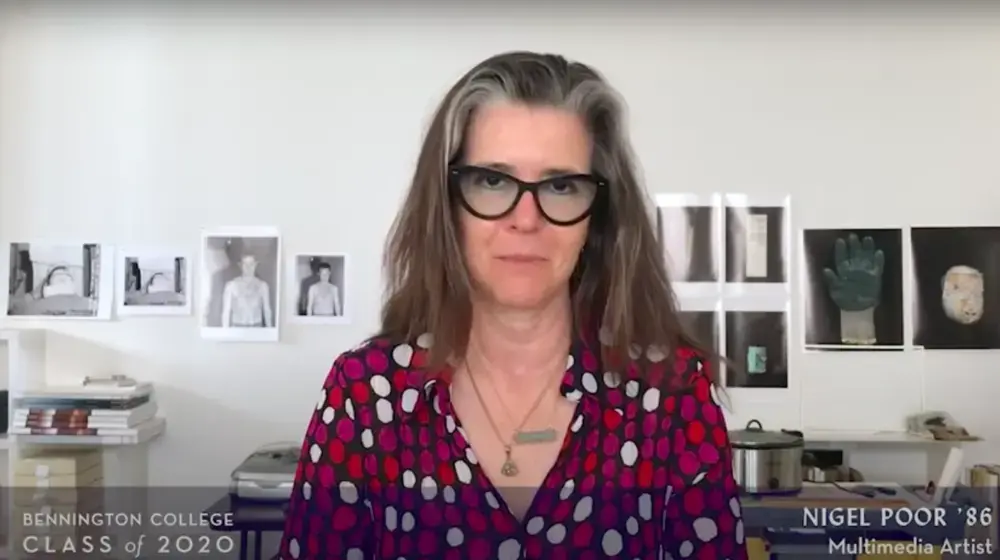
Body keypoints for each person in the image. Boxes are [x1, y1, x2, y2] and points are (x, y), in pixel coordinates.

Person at [280, 51, 746, 559]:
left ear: (599, 215)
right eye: (493, 181)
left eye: (561, 185)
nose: (526, 220)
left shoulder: (671, 395)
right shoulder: (365, 395)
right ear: (447, 204)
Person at [221, 254, 272, 328]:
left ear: (255, 265)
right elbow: (226, 311)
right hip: (237, 327)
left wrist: (269, 329)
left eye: (251, 264)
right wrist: (225, 330)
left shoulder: (263, 286)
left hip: (256, 327)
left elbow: (267, 310)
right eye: (245, 264)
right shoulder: (231, 286)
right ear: (240, 265)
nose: (248, 267)